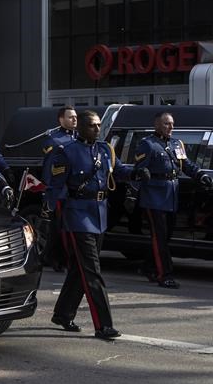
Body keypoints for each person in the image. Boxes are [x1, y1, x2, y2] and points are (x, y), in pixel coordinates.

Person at [49, 110, 136, 339]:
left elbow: (119, 172)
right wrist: (53, 215)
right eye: (92, 126)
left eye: (99, 125)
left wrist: (138, 172)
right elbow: (55, 186)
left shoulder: (105, 150)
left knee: (80, 269)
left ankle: (63, 313)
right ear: (80, 128)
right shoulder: (66, 152)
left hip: (99, 215)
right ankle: (103, 325)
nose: (97, 129)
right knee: (92, 272)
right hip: (77, 216)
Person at [132, 112, 212, 289]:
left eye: (172, 124)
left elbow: (186, 164)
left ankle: (148, 266)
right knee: (159, 238)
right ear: (157, 125)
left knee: (165, 237)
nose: (171, 127)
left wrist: (199, 174)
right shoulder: (148, 144)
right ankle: (164, 275)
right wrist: (142, 173)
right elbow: (139, 169)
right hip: (154, 197)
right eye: (167, 124)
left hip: (171, 196)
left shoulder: (177, 144)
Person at [39, 107, 78, 272]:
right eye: (71, 117)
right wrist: (49, 192)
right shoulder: (54, 140)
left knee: (67, 227)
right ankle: (59, 259)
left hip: (75, 191)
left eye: (76, 117)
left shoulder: (79, 138)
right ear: (61, 120)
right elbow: (49, 168)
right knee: (61, 228)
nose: (75, 120)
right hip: (60, 191)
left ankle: (50, 256)